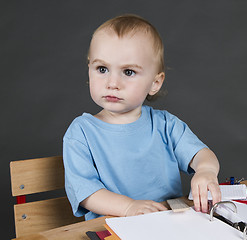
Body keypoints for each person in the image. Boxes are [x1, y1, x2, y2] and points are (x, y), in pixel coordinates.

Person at [63, 14, 221, 220]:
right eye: (102, 69)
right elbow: (86, 193)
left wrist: (206, 170)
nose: (112, 82)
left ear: (155, 83)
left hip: (167, 223)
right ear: (89, 69)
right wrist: (129, 207)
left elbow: (202, 154)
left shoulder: (166, 125)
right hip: (113, 227)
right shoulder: (81, 132)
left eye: (128, 72)